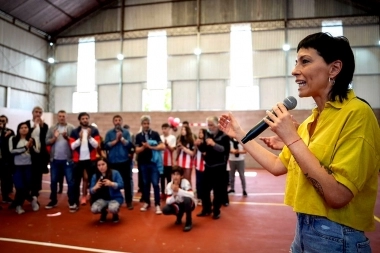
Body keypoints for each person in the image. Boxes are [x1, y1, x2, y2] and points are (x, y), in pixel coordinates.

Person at [219, 32, 380, 252]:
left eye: (305, 61)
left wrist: (291, 138)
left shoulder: (357, 114)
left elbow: (338, 195)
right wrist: (238, 133)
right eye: (296, 62)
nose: (295, 71)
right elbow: (277, 166)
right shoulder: (310, 122)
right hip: (303, 233)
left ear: (334, 69)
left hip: (337, 237)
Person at [196, 116, 230, 220]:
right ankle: (206, 209)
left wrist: (214, 144)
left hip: (219, 168)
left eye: (211, 125)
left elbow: (225, 150)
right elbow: (204, 149)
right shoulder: (207, 134)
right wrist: (199, 145)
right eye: (208, 125)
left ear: (217, 125)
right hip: (208, 166)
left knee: (217, 191)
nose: (209, 127)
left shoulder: (224, 135)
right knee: (204, 190)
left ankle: (216, 211)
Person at [69, 112, 100, 210]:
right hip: (78, 161)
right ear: (80, 120)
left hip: (91, 160)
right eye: (83, 118)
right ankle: (74, 203)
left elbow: (96, 145)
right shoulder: (74, 132)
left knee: (93, 181)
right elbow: (72, 146)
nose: (85, 120)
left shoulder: (94, 131)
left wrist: (89, 137)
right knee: (76, 182)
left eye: (87, 118)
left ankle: (94, 202)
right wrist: (80, 138)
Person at [45, 110, 75, 210]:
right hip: (55, 159)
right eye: (60, 116)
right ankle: (53, 200)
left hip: (68, 160)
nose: (62, 118)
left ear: (66, 117)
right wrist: (54, 138)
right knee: (53, 181)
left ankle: (71, 201)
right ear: (57, 117)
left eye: (63, 116)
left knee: (70, 182)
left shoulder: (71, 128)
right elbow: (47, 141)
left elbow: (75, 142)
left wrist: (67, 137)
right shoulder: (52, 128)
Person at [135, 115, 165, 214]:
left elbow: (162, 146)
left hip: (154, 164)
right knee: (145, 184)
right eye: (144, 123)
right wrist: (144, 147)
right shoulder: (138, 136)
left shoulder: (155, 134)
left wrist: (151, 147)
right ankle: (147, 202)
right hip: (143, 164)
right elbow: (137, 150)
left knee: (156, 184)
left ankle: (157, 204)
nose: (146, 125)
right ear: (141, 124)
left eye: (147, 123)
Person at [9, 122, 40, 214]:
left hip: (28, 166)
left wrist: (32, 146)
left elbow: (37, 151)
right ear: (18, 129)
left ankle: (19, 205)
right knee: (19, 186)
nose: (24, 129)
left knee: (27, 186)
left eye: (26, 127)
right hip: (17, 166)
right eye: (21, 127)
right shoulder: (13, 138)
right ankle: (31, 200)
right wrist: (25, 147)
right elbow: (11, 151)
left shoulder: (32, 139)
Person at [104, 115, 134, 210]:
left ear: (121, 122)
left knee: (127, 182)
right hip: (112, 161)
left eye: (119, 120)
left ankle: (129, 201)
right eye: (115, 120)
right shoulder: (109, 133)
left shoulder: (126, 133)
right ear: (113, 122)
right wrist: (116, 140)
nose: (117, 122)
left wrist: (121, 139)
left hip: (124, 161)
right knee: (112, 182)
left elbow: (129, 145)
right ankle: (114, 200)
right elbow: (106, 146)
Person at [25, 106, 49, 210]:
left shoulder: (44, 126)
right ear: (32, 112)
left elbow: (44, 140)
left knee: (37, 177)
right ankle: (26, 197)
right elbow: (24, 136)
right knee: (26, 176)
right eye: (36, 112)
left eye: (40, 112)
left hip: (39, 155)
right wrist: (33, 128)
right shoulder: (26, 124)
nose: (38, 114)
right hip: (28, 154)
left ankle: (35, 197)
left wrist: (41, 126)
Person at [90, 157, 124, 223]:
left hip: (115, 198)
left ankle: (115, 214)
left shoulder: (115, 173)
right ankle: (104, 212)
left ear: (107, 164)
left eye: (103, 164)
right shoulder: (95, 176)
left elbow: (122, 185)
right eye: (99, 165)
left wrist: (112, 184)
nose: (101, 167)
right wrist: (95, 187)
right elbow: (91, 191)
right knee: (94, 209)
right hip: (102, 199)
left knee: (113, 208)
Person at [163, 166, 195, 232]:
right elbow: (168, 201)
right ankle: (179, 216)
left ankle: (188, 222)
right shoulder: (169, 185)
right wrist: (174, 196)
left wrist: (179, 191)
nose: (175, 176)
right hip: (178, 204)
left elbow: (191, 195)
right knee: (165, 209)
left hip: (188, 204)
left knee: (187, 200)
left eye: (177, 174)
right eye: (173, 174)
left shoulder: (185, 182)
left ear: (181, 176)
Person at [0, 115, 15, 204]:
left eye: (3, 121)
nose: (2, 122)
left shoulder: (10, 132)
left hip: (4, 160)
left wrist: (6, 135)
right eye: (0, 120)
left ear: (6, 122)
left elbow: (11, 144)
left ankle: (5, 197)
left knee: (5, 179)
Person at [160, 123, 176, 200]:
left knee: (169, 178)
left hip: (169, 162)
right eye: (163, 129)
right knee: (162, 178)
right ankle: (162, 192)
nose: (164, 130)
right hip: (161, 161)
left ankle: (169, 192)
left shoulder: (172, 138)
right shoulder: (160, 137)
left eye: (166, 128)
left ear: (169, 129)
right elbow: (158, 148)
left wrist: (167, 145)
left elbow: (173, 149)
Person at [193, 128, 206, 205]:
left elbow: (205, 153)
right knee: (198, 182)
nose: (200, 134)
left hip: (204, 164)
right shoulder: (197, 141)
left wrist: (199, 145)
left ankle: (204, 197)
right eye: (199, 132)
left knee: (204, 182)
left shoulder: (206, 142)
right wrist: (195, 145)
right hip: (197, 164)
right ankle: (199, 197)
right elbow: (194, 153)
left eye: (202, 133)